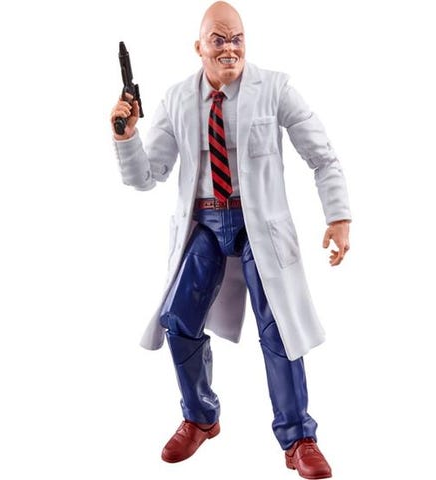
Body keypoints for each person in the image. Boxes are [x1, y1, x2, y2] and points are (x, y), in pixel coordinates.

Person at [111, 2, 351, 478]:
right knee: (178, 318)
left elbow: (322, 155)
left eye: (237, 38)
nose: (229, 48)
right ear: (198, 47)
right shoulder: (178, 99)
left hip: (256, 226)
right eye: (217, 39)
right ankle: (200, 416)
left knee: (279, 325)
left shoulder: (275, 88)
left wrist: (338, 216)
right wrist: (126, 137)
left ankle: (298, 436)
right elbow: (147, 176)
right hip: (203, 222)